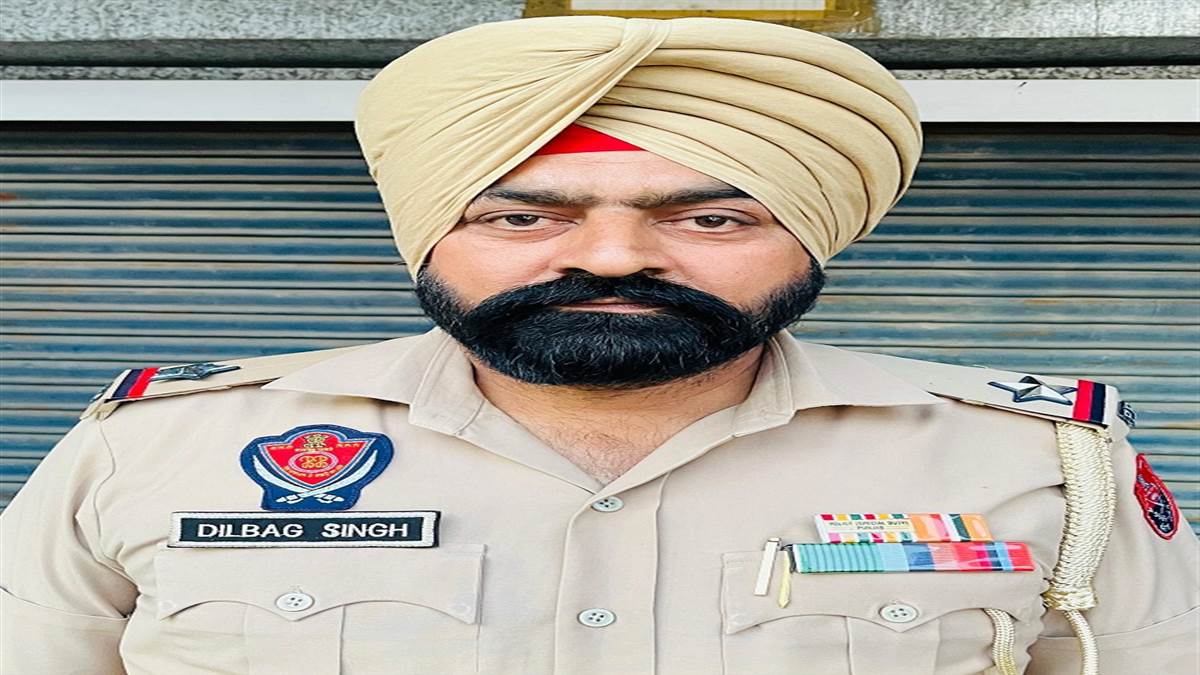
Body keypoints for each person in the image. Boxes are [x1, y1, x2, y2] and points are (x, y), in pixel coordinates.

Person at [2, 15, 1196, 675]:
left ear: (814, 237)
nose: (616, 257)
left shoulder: (1043, 460)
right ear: (427, 237)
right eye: (523, 218)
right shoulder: (160, 450)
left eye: (711, 219)